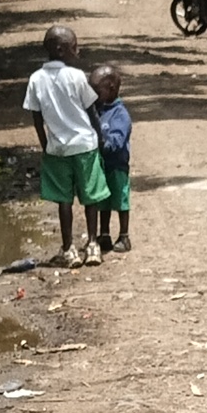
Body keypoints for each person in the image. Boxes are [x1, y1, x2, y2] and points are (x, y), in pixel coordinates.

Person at [21, 24, 110, 256]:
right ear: (61, 50)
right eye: (74, 48)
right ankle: (92, 244)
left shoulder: (35, 79)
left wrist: (45, 146)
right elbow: (92, 112)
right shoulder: (76, 76)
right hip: (85, 146)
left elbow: (36, 118)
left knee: (64, 200)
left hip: (57, 148)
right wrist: (100, 139)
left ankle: (68, 247)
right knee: (91, 196)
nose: (77, 52)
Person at [92, 64, 133, 252]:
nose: (93, 94)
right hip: (102, 165)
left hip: (117, 164)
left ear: (111, 89)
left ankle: (124, 236)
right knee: (104, 201)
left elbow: (118, 139)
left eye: (96, 90)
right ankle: (105, 234)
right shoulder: (97, 110)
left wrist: (104, 143)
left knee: (120, 199)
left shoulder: (120, 114)